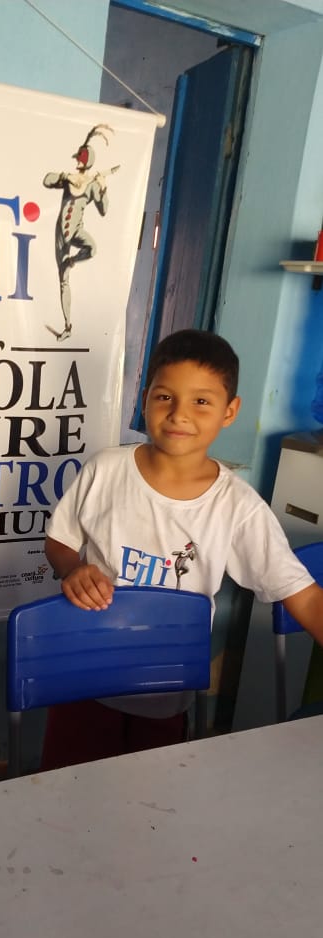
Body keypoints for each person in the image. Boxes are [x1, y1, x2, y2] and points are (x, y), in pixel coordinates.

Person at [42, 328, 323, 768]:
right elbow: (59, 541)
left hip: (165, 692)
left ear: (230, 411)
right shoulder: (106, 469)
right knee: (66, 788)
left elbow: (302, 595)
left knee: (150, 798)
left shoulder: (237, 506)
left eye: (201, 401)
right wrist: (71, 568)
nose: (179, 414)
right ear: (145, 399)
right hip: (82, 677)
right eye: (164, 397)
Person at [43, 124, 116, 341]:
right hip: (60, 234)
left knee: (92, 248)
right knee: (63, 280)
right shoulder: (70, 180)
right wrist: (66, 176)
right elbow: (47, 180)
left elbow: (104, 210)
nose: (77, 161)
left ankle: (72, 261)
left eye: (79, 158)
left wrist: (103, 188)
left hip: (76, 231)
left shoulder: (92, 185)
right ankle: (68, 326)